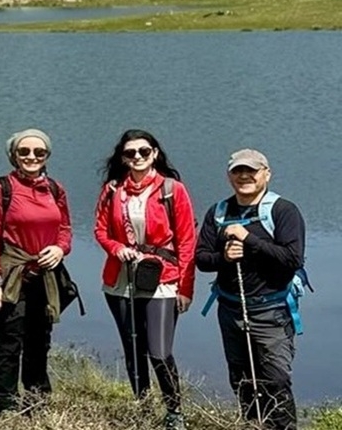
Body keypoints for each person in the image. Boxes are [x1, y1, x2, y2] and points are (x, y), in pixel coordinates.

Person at [195, 149, 306, 430]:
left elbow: (292, 259)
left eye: (252, 171)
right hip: (231, 309)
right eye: (237, 171)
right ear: (229, 176)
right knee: (242, 380)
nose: (244, 176)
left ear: (266, 174)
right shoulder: (218, 212)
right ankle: (252, 425)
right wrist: (225, 258)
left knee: (276, 380)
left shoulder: (283, 211)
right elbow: (202, 259)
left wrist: (249, 241)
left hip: (272, 312)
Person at [93, 130, 196, 430]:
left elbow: (188, 240)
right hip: (119, 280)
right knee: (133, 348)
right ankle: (143, 406)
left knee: (159, 351)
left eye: (143, 151)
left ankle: (174, 412)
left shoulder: (172, 189)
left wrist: (186, 288)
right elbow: (100, 230)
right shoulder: (112, 190)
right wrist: (116, 248)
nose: (137, 157)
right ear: (122, 158)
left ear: (155, 153)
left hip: (162, 279)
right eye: (130, 153)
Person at [0, 129, 71, 415]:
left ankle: (37, 400)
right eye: (24, 151)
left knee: (40, 340)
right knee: (9, 342)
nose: (31, 157)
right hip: (11, 274)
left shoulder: (55, 189)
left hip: (46, 274)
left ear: (47, 156)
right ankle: (7, 404)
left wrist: (60, 249)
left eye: (39, 152)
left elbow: (64, 228)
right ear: (14, 155)